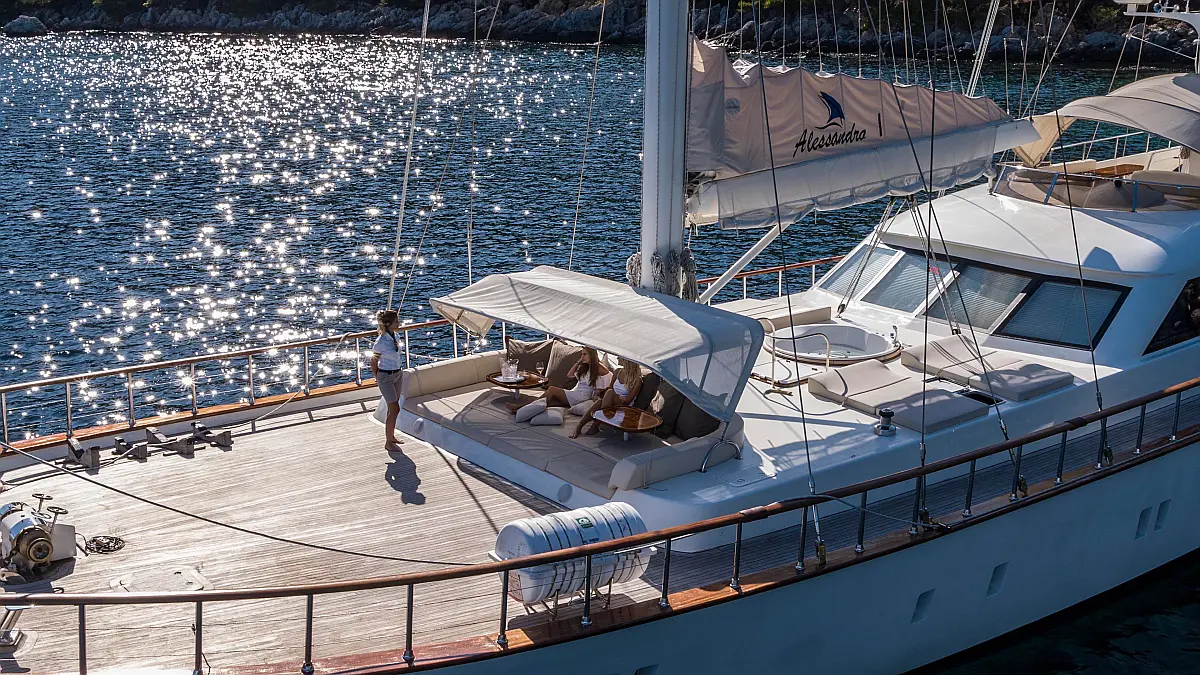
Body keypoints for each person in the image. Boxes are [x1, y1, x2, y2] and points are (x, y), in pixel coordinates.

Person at [506, 346, 609, 414]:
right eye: (581, 354)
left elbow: (608, 375)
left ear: (592, 355)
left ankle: (519, 407)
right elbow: (569, 375)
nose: (582, 356)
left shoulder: (598, 367)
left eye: (584, 354)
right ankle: (521, 409)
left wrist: (600, 391)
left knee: (552, 390)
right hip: (575, 393)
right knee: (547, 401)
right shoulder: (585, 366)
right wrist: (578, 362)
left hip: (582, 396)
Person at [570, 357, 643, 438]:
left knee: (610, 393)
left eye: (620, 356)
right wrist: (601, 392)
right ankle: (579, 427)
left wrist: (615, 396)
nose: (617, 357)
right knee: (600, 401)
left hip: (624, 407)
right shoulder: (617, 372)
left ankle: (596, 423)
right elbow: (609, 389)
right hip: (612, 401)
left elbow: (627, 401)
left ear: (627, 360)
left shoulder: (637, 380)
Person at [371, 309, 405, 452]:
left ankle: (391, 437)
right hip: (386, 377)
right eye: (396, 321)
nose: (399, 323)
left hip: (397, 374)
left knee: (393, 409)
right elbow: (373, 361)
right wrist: (378, 377)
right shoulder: (381, 341)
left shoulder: (395, 335)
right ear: (388, 324)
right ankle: (388, 442)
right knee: (395, 408)